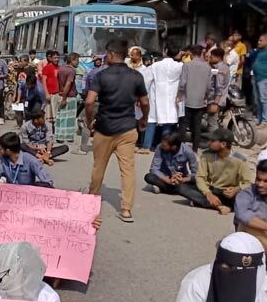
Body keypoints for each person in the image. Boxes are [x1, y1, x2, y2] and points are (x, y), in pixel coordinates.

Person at [84, 39, 149, 223]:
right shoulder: (136, 76)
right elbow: (144, 101)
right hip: (128, 129)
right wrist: (144, 118)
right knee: (127, 170)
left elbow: (89, 101)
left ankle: (91, 202)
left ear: (111, 55)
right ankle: (126, 210)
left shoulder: (101, 76)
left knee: (99, 166)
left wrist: (90, 120)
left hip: (104, 128)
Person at [177, 128, 254, 215]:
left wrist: (237, 189)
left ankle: (203, 202)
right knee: (181, 187)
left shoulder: (240, 160)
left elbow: (248, 183)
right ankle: (220, 206)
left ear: (223, 144)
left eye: (212, 141)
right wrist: (208, 194)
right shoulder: (206, 155)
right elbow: (200, 177)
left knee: (247, 199)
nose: (209, 142)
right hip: (211, 189)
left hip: (228, 194)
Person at [234, 159, 267, 250]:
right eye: (258, 179)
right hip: (249, 239)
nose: (260, 184)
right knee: (247, 223)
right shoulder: (246, 194)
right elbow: (244, 216)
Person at [146, 47, 183, 151]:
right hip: (172, 96)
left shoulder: (155, 66)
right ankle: (163, 146)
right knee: (168, 121)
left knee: (152, 120)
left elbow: (147, 81)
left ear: (165, 51)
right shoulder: (179, 66)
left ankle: (147, 145)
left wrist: (144, 95)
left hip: (157, 96)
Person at [177, 45, 212, 151]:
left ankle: (181, 148)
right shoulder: (208, 67)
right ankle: (195, 149)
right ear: (202, 53)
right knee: (197, 126)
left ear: (191, 54)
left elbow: (182, 83)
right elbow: (208, 86)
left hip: (186, 100)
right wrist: (206, 97)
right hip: (200, 101)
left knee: (183, 124)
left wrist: (178, 96)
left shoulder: (187, 65)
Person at [55, 52, 79, 142]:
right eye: (77, 60)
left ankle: (59, 136)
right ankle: (67, 136)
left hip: (61, 95)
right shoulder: (71, 71)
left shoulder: (61, 69)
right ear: (72, 60)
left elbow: (59, 83)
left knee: (61, 117)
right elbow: (68, 84)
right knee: (69, 118)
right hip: (69, 96)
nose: (78, 63)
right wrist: (65, 98)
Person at [41, 50, 60, 130]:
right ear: (51, 58)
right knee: (49, 113)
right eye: (54, 58)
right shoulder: (47, 68)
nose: (56, 59)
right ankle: (49, 130)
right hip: (50, 93)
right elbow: (43, 81)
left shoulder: (59, 68)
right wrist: (46, 93)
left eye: (57, 58)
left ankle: (56, 130)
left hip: (57, 93)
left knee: (56, 112)